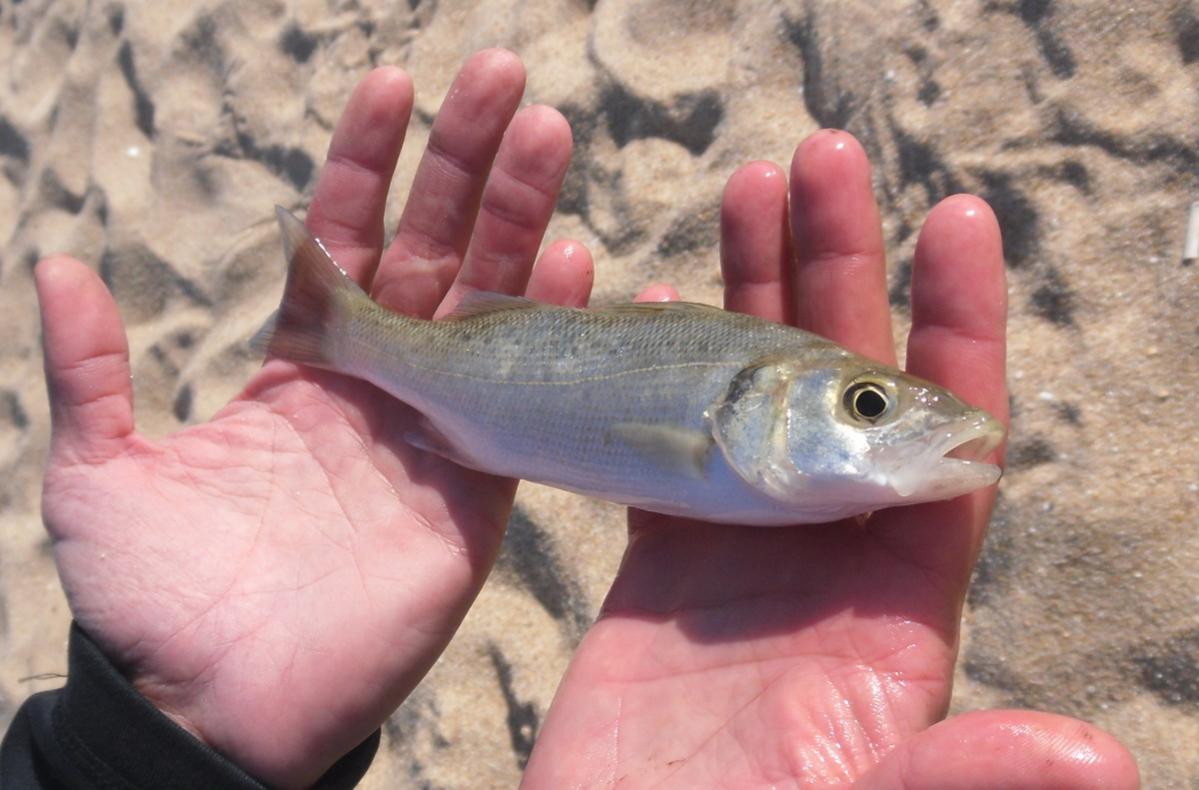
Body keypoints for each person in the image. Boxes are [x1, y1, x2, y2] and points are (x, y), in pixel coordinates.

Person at [1, 50, 1137, 789]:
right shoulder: (748, 472)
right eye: (865, 403)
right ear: (756, 404)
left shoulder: (788, 492)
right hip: (469, 389)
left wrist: (138, 754)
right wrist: (158, 739)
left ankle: (337, 327)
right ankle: (335, 328)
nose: (885, 420)